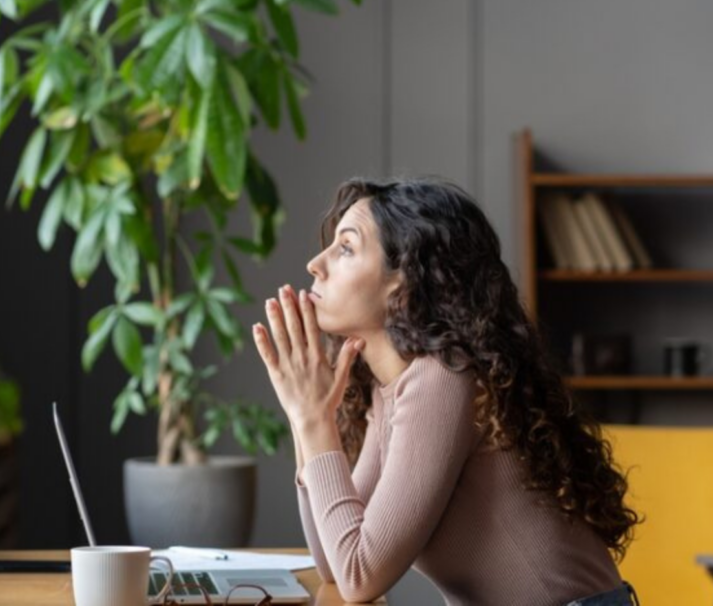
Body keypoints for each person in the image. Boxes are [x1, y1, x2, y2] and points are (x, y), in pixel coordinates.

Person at [251, 177, 641, 606]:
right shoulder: (394, 391)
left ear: (404, 282)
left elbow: (359, 575)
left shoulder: (443, 378)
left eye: (345, 248)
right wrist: (303, 415)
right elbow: (332, 561)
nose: (315, 263)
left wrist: (314, 420)